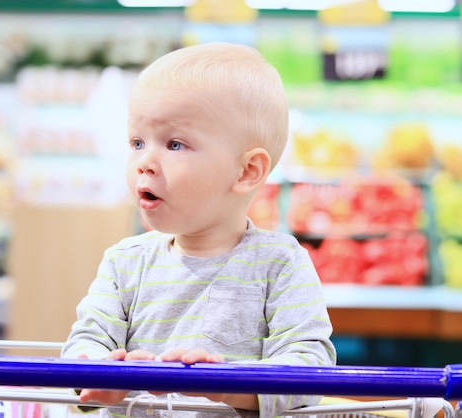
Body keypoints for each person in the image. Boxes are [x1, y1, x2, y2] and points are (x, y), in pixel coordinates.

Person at [61, 41, 337, 418]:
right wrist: (98, 375)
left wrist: (225, 384)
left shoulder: (280, 264)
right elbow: (85, 343)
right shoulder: (125, 263)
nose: (145, 162)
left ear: (246, 172)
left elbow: (310, 368)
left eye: (174, 144)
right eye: (137, 142)